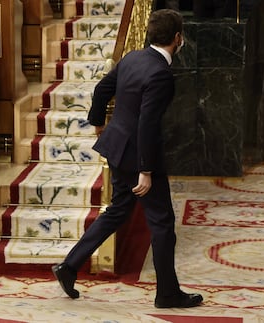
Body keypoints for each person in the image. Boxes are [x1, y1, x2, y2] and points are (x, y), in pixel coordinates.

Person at [52, 9, 203, 308]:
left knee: (118, 211)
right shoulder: (161, 74)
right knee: (161, 224)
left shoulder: (133, 57)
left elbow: (101, 89)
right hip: (139, 158)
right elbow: (147, 125)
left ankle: (69, 267)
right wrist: (146, 170)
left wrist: (98, 122)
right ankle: (168, 294)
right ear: (177, 38)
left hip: (117, 148)